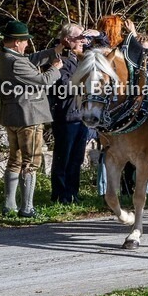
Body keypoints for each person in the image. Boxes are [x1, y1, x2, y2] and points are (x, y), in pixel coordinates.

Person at [0, 20, 63, 217]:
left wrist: (54, 50)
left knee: (14, 161)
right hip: (28, 117)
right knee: (31, 162)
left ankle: (9, 206)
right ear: (17, 42)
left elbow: (29, 60)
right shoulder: (16, 62)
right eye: (25, 41)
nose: (26, 45)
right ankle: (27, 208)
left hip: (12, 116)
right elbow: (43, 81)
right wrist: (55, 68)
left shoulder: (3, 56)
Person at [49, 22, 89, 204]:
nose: (83, 41)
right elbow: (64, 87)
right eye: (79, 37)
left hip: (81, 116)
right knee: (63, 158)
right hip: (66, 117)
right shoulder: (60, 61)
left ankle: (73, 193)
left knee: (77, 159)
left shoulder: (82, 59)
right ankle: (60, 195)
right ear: (67, 39)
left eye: (84, 37)